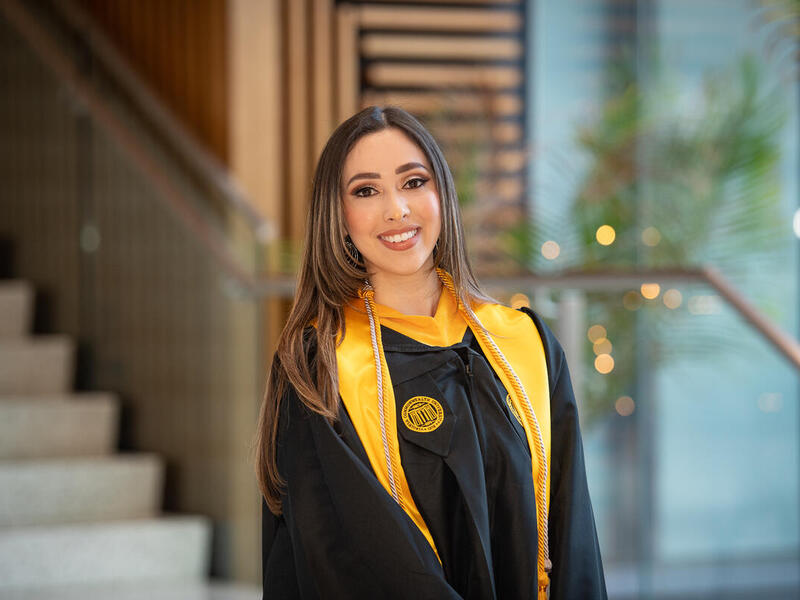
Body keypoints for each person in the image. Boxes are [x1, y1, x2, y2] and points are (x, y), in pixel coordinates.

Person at [253, 106, 607, 599]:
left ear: (442, 192)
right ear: (338, 216)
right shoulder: (322, 367)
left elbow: (573, 539)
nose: (396, 209)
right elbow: (349, 560)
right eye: (366, 190)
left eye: (413, 181)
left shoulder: (524, 344)